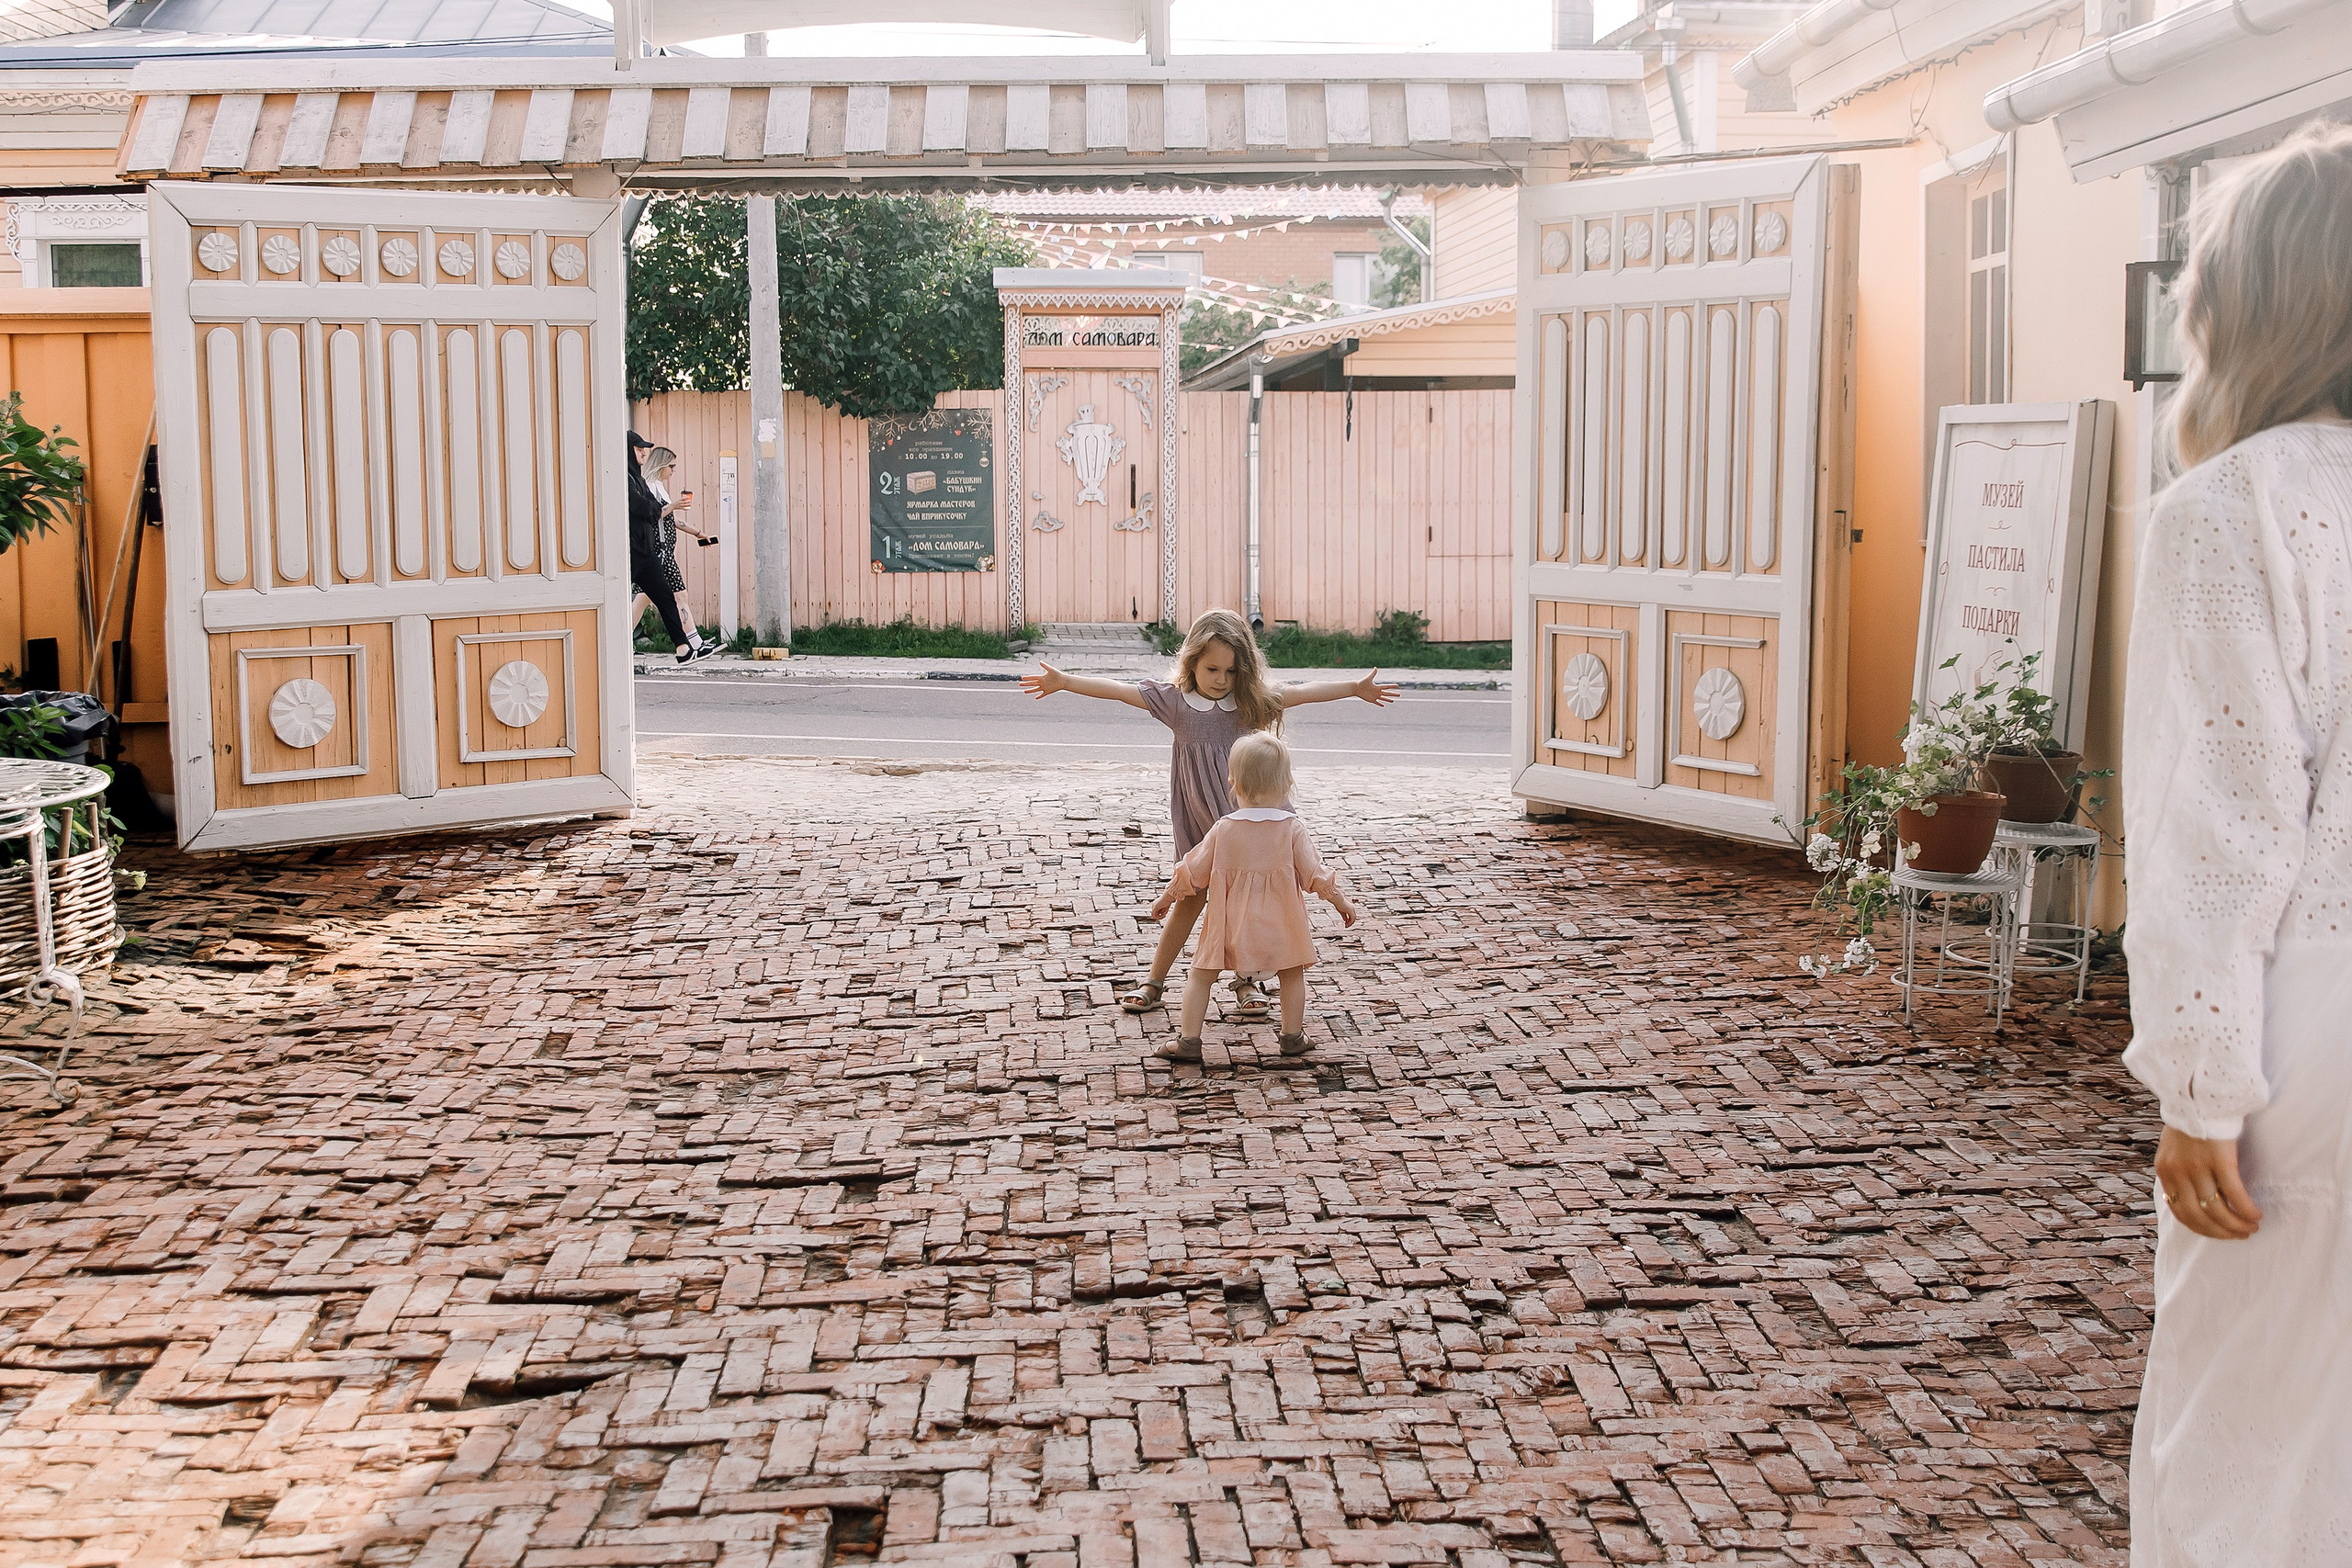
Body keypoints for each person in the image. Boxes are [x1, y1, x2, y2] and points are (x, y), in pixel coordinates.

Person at [2120, 120, 2352, 1565]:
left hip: (2310, 1022)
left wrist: (2201, 1080)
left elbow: (2229, 810)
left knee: (2252, 1427)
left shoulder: (2235, 506)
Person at [1020, 608, 1396, 1020]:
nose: (1221, 679)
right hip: (1200, 819)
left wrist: (1354, 688)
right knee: (1190, 895)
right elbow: (1118, 690)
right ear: (1192, 662)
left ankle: (1247, 981)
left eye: (1231, 671)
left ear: (1244, 670)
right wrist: (1065, 682)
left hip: (1251, 820)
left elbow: (1303, 692)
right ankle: (1154, 981)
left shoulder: (1249, 705)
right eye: (1212, 668)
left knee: (1249, 900)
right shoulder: (1175, 704)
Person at [1148, 732, 1356, 1062]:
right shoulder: (1291, 828)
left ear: (1233, 782)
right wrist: (1339, 900)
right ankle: (1291, 1037)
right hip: (1281, 922)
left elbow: (1191, 871)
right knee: (1291, 974)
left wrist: (1167, 897)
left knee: (1201, 975)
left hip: (1228, 924)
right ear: (1287, 782)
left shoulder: (1224, 828)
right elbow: (1314, 874)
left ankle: (1189, 1041)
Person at [631, 445, 717, 664]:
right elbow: (655, 515)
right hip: (659, 551)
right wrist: (675, 505)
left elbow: (671, 520)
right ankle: (693, 643)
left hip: (664, 550)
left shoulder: (659, 487)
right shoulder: (649, 486)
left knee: (647, 601)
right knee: (678, 596)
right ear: (661, 465)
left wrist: (698, 533)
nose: (673, 470)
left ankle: (691, 644)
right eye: (671, 466)